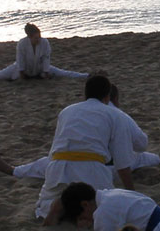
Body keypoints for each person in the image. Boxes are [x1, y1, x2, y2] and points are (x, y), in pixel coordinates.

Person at [0, 85, 160, 180]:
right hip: (101, 168)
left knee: (48, 162)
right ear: (113, 98)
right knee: (138, 157)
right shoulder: (119, 114)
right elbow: (141, 144)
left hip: (66, 167)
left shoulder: (72, 110)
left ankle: (14, 170)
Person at [35, 75, 135, 220]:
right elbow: (122, 164)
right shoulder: (115, 114)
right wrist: (132, 193)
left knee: (45, 203)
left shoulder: (66, 111)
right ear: (107, 97)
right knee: (106, 205)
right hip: (91, 171)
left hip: (58, 169)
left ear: (85, 94)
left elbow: (54, 151)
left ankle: (56, 205)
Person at [44, 182, 160, 230]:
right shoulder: (112, 194)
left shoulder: (103, 212)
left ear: (85, 205)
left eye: (82, 216)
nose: (88, 221)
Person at [0, 23, 88, 81]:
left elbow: (46, 58)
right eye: (36, 38)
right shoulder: (22, 43)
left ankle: (86, 75)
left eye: (39, 36)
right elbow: (20, 59)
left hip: (39, 68)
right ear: (29, 37)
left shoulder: (44, 42)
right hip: (23, 69)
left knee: (63, 73)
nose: (38, 39)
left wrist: (46, 72)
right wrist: (22, 73)